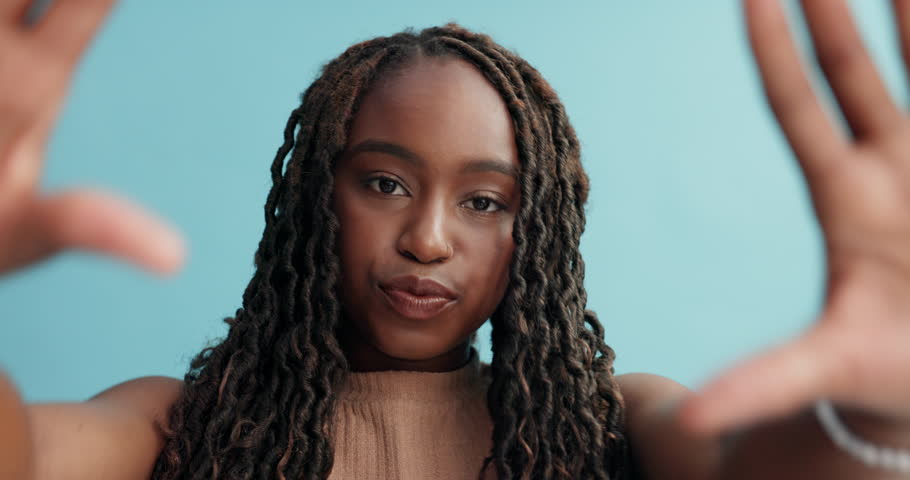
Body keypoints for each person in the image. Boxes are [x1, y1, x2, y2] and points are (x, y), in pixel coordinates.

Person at [2, 0, 910, 479]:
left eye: (485, 202)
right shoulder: (177, 425)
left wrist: (877, 416)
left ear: (538, 233)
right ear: (320, 196)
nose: (429, 239)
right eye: (386, 183)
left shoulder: (612, 426)